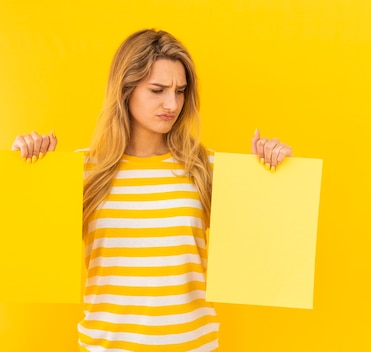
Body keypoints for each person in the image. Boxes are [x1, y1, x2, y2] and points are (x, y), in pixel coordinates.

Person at [11, 29, 292, 351]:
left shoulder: (204, 167)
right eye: (157, 90)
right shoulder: (82, 172)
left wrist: (276, 171)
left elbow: (268, 247)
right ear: (125, 89)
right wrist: (27, 169)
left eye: (180, 91)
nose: (172, 104)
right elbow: (25, 243)